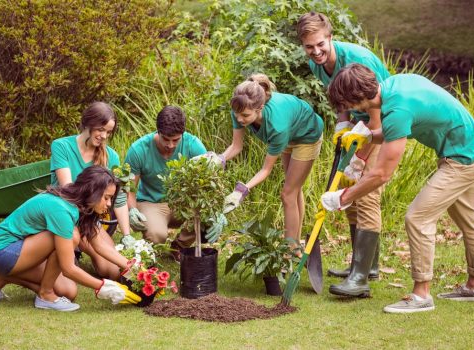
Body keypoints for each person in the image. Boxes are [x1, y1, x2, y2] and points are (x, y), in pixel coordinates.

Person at [321, 63, 474, 313]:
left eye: (347, 104)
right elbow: (392, 133)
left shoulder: (397, 109)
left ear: (357, 98)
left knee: (417, 217)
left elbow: (381, 174)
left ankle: (421, 295)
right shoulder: (395, 87)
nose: (349, 110)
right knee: (469, 220)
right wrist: (365, 136)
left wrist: (343, 197)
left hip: (463, 160)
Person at [297, 11, 391, 297]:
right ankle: (362, 266)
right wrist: (342, 123)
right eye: (309, 47)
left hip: (385, 122)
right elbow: (340, 96)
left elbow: (377, 112)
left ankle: (360, 278)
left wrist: (361, 157)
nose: (316, 52)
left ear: (330, 37)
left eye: (320, 45)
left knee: (366, 194)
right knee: (349, 195)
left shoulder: (356, 59)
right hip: (359, 124)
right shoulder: (319, 64)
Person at [0, 166, 141, 310]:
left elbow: (99, 245)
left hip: (22, 249)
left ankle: (2, 278)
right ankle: (45, 295)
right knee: (73, 236)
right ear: (91, 191)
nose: (109, 204)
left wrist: (136, 269)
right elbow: (68, 268)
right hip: (2, 250)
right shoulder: (61, 209)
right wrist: (105, 287)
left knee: (68, 292)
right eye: (106, 198)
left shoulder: (81, 206)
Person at [220, 73, 324, 248]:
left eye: (245, 115)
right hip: (289, 134)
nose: (239, 119)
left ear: (260, 108)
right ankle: (296, 246)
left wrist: (241, 191)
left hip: (307, 135)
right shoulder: (239, 108)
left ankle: (289, 252)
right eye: (237, 114)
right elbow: (236, 147)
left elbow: (265, 170)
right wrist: (218, 159)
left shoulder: (277, 125)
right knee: (293, 190)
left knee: (288, 194)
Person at [50, 101, 133, 280]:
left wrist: (127, 235)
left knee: (111, 271)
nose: (104, 136)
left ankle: (76, 253)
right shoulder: (61, 146)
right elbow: (68, 189)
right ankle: (70, 253)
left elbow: (118, 200)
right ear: (88, 123)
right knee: (75, 274)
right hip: (67, 216)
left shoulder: (111, 156)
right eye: (100, 129)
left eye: (109, 132)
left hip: (89, 220)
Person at [125, 105, 210, 262]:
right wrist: (131, 210)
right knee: (157, 235)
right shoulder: (138, 149)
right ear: (157, 131)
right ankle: (152, 246)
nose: (170, 145)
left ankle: (179, 246)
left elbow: (207, 185)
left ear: (183, 134)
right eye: (166, 139)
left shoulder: (194, 146)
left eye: (176, 140)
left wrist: (215, 214)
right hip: (151, 202)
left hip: (182, 202)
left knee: (208, 216)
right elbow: (129, 189)